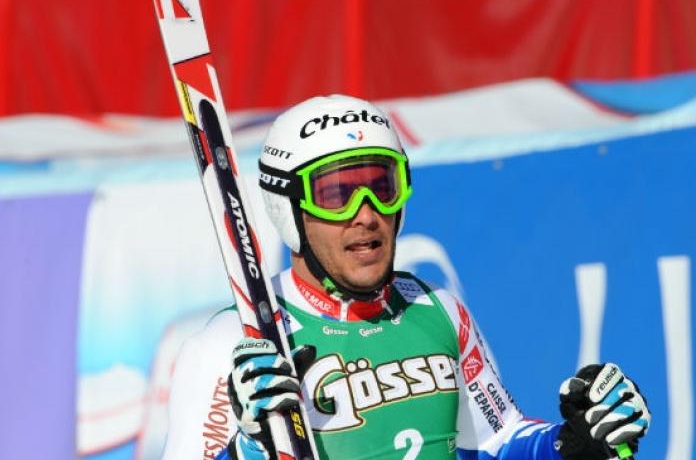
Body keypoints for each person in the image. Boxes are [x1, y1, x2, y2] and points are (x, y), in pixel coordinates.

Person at [162, 95, 650, 460]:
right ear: (289, 211)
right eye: (336, 195)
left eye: (382, 187)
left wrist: (576, 442)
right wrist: (244, 450)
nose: (365, 214)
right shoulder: (235, 343)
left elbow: (498, 441)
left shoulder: (435, 309)